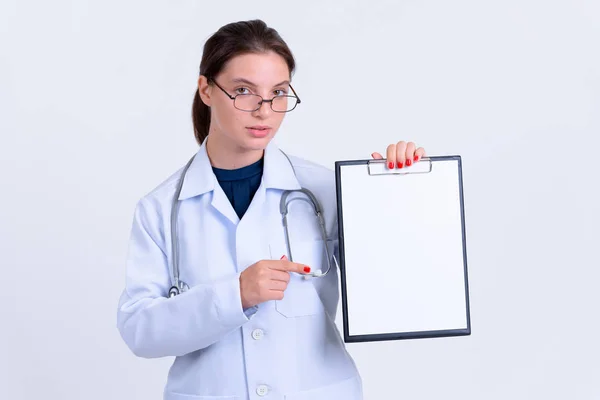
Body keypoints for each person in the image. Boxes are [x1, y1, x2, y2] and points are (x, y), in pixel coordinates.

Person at [116, 19, 426, 400]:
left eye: (278, 92)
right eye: (244, 91)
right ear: (207, 90)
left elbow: (394, 288)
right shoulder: (161, 208)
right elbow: (139, 331)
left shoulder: (324, 189)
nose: (264, 110)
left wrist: (401, 193)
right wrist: (236, 295)